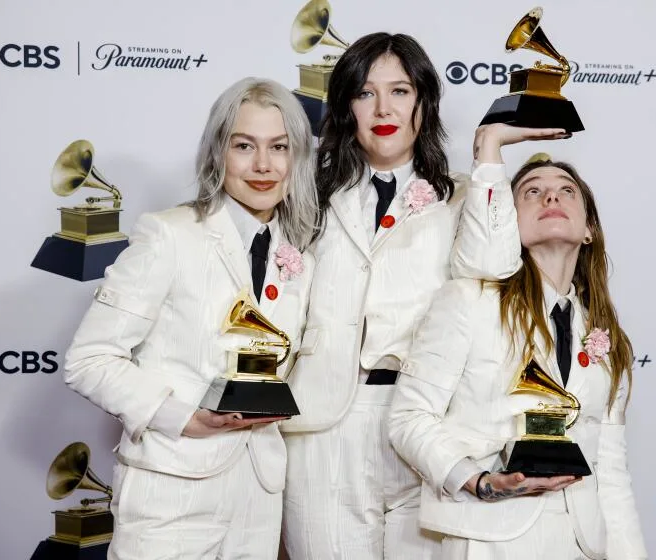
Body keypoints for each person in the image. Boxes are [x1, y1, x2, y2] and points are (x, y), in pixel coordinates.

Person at [279, 31, 567, 559]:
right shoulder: (306, 193)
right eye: (365, 93)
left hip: (429, 426)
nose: (383, 108)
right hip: (325, 427)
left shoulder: (464, 193)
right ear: (346, 107)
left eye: (401, 91)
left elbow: (493, 265)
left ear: (424, 102)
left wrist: (488, 152)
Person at [63, 77, 318, 560]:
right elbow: (89, 359)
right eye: (244, 146)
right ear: (217, 153)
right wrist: (183, 418)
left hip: (259, 493)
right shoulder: (168, 235)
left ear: (297, 158)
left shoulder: (300, 251)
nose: (263, 165)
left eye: (279, 147)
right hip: (171, 488)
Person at [387, 135, 648, 560]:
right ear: (508, 220)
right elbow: (409, 419)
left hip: (584, 543)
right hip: (490, 536)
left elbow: (611, 470)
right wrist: (478, 480)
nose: (551, 195)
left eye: (567, 190)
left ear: (588, 230)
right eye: (531, 191)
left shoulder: (607, 336)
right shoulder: (468, 301)